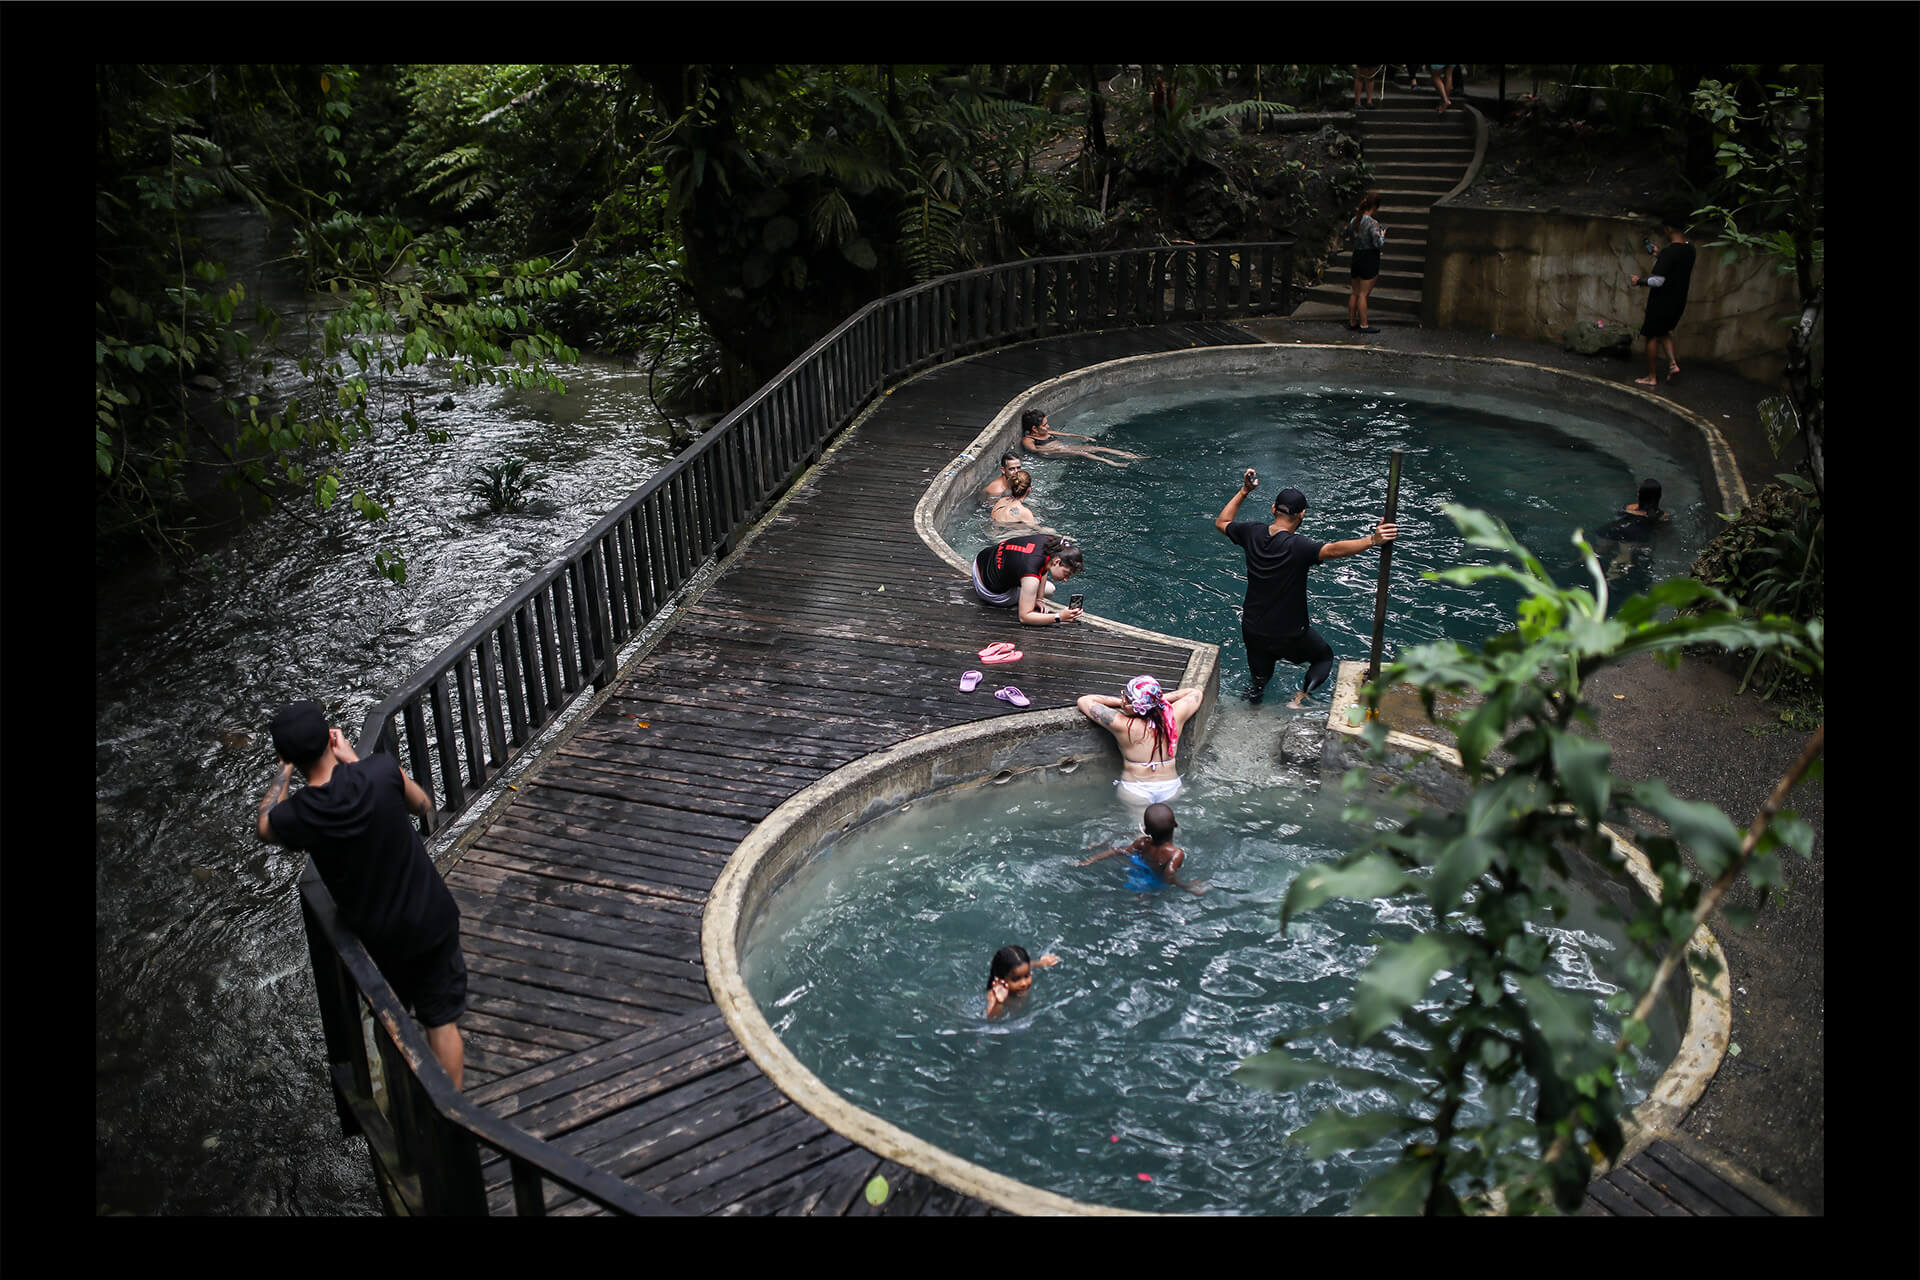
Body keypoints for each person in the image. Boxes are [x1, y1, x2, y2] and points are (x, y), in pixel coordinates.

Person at [254, 699, 468, 1090]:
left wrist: (284, 770)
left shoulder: (300, 815)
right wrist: (354, 760)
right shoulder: (380, 771)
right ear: (330, 738)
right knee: (441, 1019)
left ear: (287, 754)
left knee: (390, 1022)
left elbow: (265, 826)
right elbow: (422, 805)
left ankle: (402, 1103)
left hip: (382, 939)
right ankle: (452, 1116)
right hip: (432, 916)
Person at [1213, 469, 1397, 708]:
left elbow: (1222, 522)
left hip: (1253, 628)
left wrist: (1245, 491)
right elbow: (1332, 550)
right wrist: (1373, 540)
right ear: (1302, 515)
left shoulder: (1251, 532)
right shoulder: (1299, 546)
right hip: (1290, 633)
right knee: (1323, 657)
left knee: (1260, 678)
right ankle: (1301, 698)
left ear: (1273, 509)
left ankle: (1253, 704)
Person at [1076, 674, 1203, 806]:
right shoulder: (1175, 716)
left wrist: (1121, 703)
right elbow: (1195, 693)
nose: (1122, 699)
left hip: (1136, 789)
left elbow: (1085, 701)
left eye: (1124, 696)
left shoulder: (1122, 725)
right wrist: (1154, 700)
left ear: (1131, 704)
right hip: (1170, 786)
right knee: (1167, 824)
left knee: (1142, 826)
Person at [1078, 802, 1206, 895]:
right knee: (1148, 900)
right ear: (1175, 824)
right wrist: (1185, 886)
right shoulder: (1176, 854)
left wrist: (1092, 859)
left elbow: (1118, 851)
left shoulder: (1143, 843)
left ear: (1145, 831)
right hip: (1155, 881)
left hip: (1137, 873)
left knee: (1140, 893)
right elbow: (1169, 877)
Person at [1630, 216, 1697, 388]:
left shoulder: (1670, 252)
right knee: (1664, 331)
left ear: (1668, 229)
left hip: (1661, 301)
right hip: (1678, 301)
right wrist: (1660, 255)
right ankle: (1673, 364)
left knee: (1652, 335)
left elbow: (1658, 281)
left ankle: (1651, 377)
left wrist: (1639, 281)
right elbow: (1675, 267)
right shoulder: (1690, 250)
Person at [971, 533, 1086, 626]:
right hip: (988, 589)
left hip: (981, 562)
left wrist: (1039, 599)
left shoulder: (1052, 543)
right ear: (1057, 562)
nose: (1066, 579)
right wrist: (1060, 617)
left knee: (1036, 589)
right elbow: (1024, 617)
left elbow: (1043, 564)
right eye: (1066, 574)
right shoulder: (1031, 577)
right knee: (1049, 589)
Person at [1020, 406, 1144, 467]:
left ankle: (1130, 455)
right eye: (1044, 425)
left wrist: (1082, 436)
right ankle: (1111, 462)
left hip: (1064, 447)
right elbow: (1035, 450)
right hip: (1054, 452)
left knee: (1097, 448)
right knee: (1083, 453)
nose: (1048, 426)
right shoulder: (1028, 439)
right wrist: (1054, 450)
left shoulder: (1045, 433)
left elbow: (1066, 434)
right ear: (1034, 429)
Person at [1345, 191, 1387, 334]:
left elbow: (1347, 235)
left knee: (1355, 292)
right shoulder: (1373, 223)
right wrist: (1383, 235)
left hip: (1356, 256)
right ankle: (1364, 324)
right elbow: (1378, 244)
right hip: (1369, 258)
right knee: (1363, 294)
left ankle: (1352, 321)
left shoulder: (1354, 220)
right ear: (1375, 206)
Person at [985, 944, 1060, 1018]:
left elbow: (1028, 965)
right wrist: (999, 1003)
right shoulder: (994, 995)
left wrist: (1043, 963)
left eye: (1027, 976)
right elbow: (992, 1020)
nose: (1024, 983)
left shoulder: (1023, 969)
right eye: (1015, 979)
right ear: (1001, 979)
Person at [1597, 478, 1672, 542]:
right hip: (1636, 537)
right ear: (1659, 496)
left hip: (1615, 530)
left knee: (1600, 549)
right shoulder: (1663, 516)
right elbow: (1661, 533)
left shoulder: (1629, 508)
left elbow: (1617, 514)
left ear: (1638, 495)